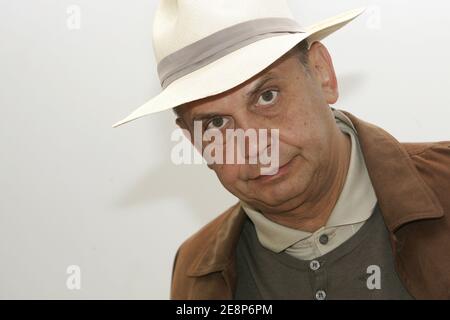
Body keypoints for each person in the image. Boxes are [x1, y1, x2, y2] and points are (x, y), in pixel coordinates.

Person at [112, 0, 450, 300]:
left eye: (267, 96)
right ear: (195, 143)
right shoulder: (195, 274)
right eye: (216, 123)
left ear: (322, 75)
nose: (256, 147)